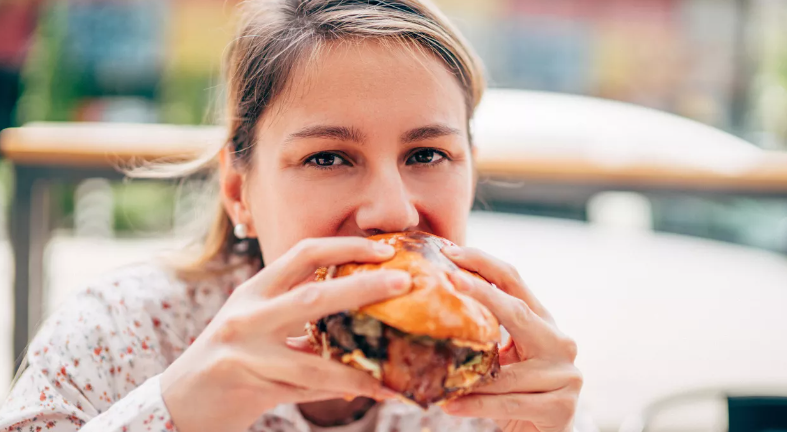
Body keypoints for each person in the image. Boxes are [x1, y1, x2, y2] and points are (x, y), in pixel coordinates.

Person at [0, 1, 593, 431]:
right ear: (239, 193)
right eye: (328, 157)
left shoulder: (512, 375)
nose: (392, 208)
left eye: (427, 154)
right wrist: (175, 411)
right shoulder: (121, 334)